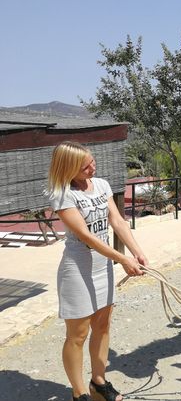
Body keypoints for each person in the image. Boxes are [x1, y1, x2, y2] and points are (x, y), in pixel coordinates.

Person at [47, 141, 148, 401]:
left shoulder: (101, 185)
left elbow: (117, 221)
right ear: (69, 169)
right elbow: (87, 237)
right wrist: (122, 259)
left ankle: (99, 383)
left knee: (103, 326)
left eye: (92, 161)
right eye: (85, 167)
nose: (92, 167)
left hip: (103, 266)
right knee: (77, 334)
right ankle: (79, 392)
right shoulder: (62, 194)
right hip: (78, 268)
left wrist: (136, 251)